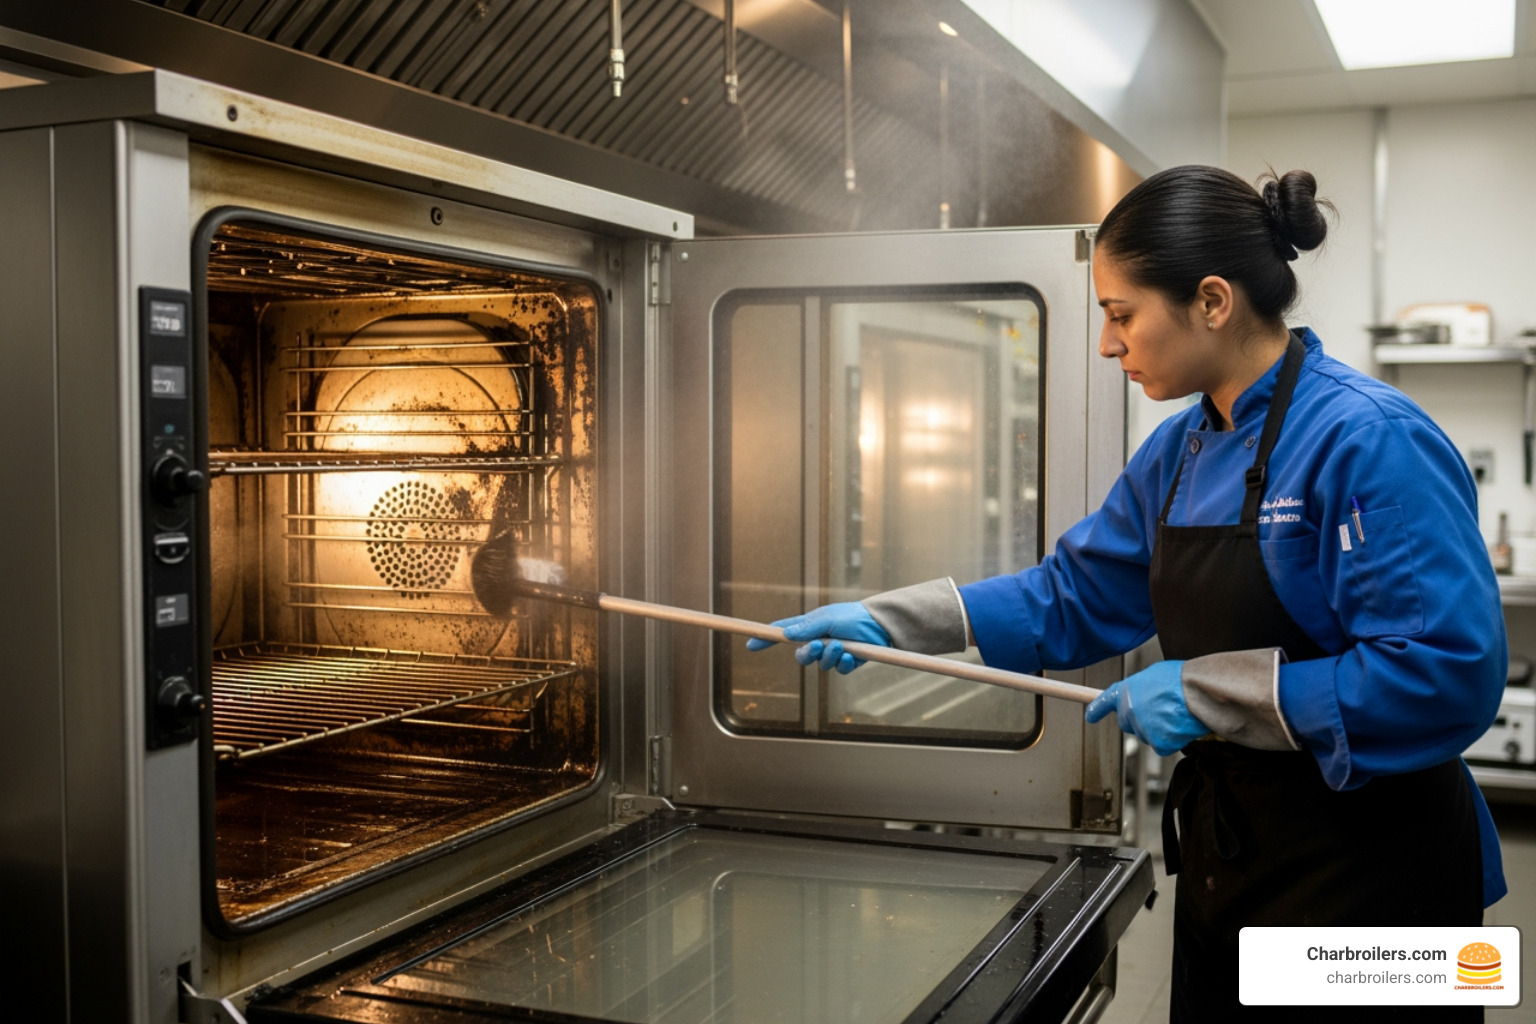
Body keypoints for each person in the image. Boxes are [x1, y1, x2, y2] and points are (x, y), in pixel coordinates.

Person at [747, 165, 1506, 1022]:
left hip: (1378, 879)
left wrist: (1207, 692)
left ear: (1212, 301)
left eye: (1120, 315)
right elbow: (1073, 597)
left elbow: (1447, 676)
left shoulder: (1368, 440)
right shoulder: (1182, 450)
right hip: (1242, 857)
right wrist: (894, 621)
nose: (1109, 345)